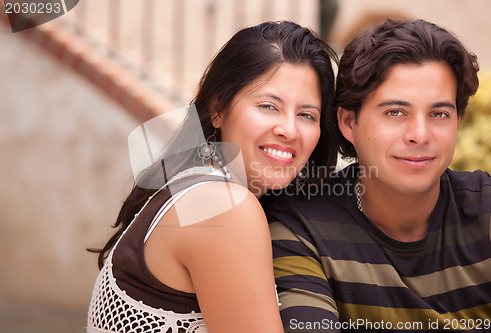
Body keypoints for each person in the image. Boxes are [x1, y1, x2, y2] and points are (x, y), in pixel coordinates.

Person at [87, 21, 338, 333]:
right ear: (218, 108)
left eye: (307, 115)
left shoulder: (195, 185)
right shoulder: (223, 205)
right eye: (268, 106)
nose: (288, 129)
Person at [269, 18, 491, 332]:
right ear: (348, 122)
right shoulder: (299, 228)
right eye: (395, 112)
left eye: (439, 114)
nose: (419, 135)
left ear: (458, 121)